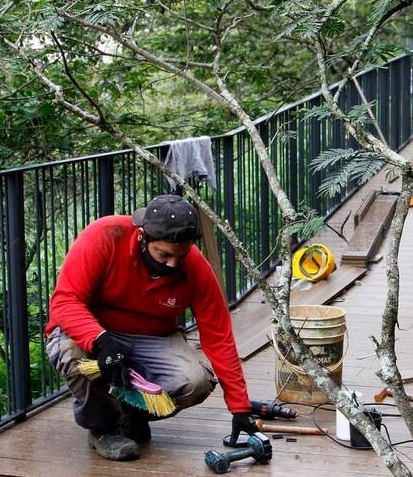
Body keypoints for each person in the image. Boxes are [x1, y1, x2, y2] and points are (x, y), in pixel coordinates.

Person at [44, 194, 256, 461]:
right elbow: (65, 302)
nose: (173, 264)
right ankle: (103, 428)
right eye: (164, 255)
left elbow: (218, 335)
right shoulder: (104, 236)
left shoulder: (194, 266)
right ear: (143, 236)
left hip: (153, 336)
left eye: (181, 256)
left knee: (195, 383)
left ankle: (128, 412)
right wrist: (100, 341)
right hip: (95, 330)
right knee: (72, 353)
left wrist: (240, 408)